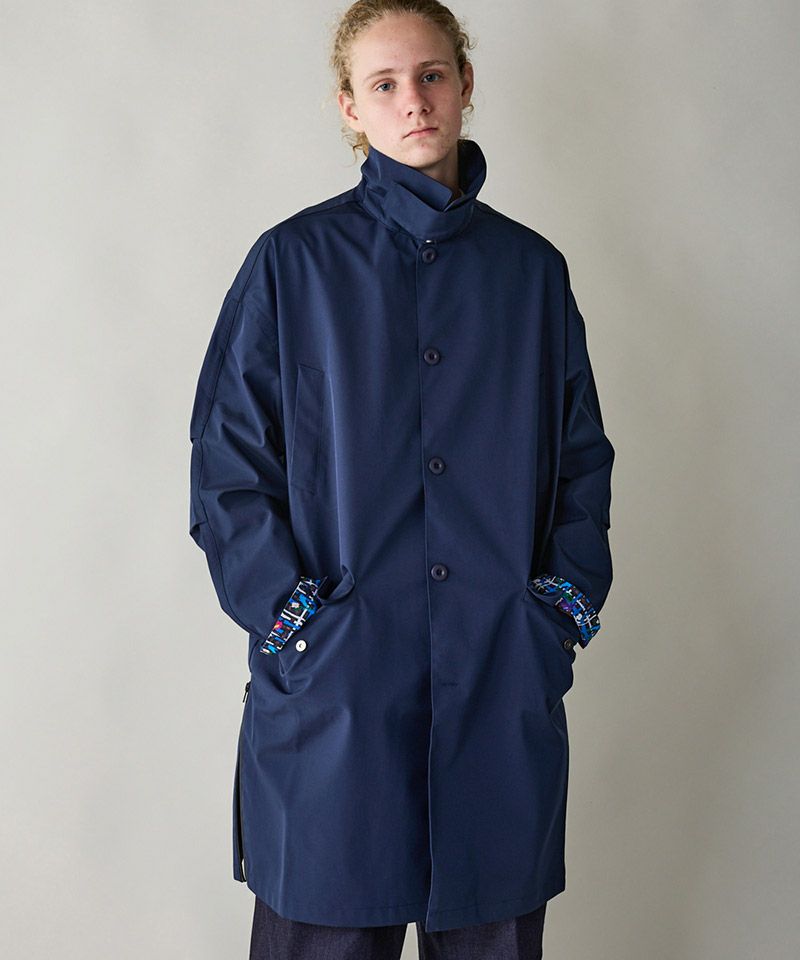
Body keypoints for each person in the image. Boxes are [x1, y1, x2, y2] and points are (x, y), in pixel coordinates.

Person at [188, 1, 615, 957]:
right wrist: (298, 627)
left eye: (430, 75)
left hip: (497, 687)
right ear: (350, 107)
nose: (412, 101)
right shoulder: (292, 266)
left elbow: (583, 462)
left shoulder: (531, 274)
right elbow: (227, 472)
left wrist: (554, 619)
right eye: (383, 84)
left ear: (465, 84)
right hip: (336, 699)